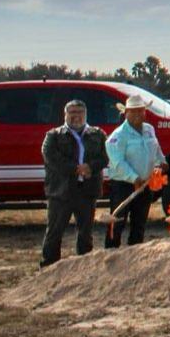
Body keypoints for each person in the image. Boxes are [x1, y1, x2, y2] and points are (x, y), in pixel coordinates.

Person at [41, 99, 107, 267]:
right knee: (54, 232)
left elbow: (106, 157)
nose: (76, 116)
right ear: (65, 115)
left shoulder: (98, 134)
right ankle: (48, 268)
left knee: (85, 233)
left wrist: (90, 167)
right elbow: (51, 157)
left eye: (79, 112)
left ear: (85, 114)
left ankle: (84, 268)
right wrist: (76, 169)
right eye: (72, 112)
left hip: (87, 191)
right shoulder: (53, 135)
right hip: (61, 192)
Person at [104, 93, 167, 249]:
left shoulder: (149, 130)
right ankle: (111, 255)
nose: (138, 114)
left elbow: (156, 150)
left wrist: (162, 163)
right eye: (133, 111)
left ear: (145, 112)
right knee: (117, 222)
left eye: (140, 111)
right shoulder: (118, 136)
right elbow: (117, 162)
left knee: (139, 224)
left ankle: (135, 255)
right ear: (126, 113)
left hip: (145, 185)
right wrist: (134, 178)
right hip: (123, 185)